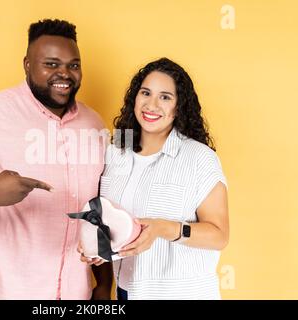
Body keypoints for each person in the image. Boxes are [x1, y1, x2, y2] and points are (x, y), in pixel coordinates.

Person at [0, 19, 113, 300]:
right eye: (51, 64)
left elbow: (99, 210)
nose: (64, 73)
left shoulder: (94, 123)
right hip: (0, 287)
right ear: (27, 64)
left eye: (73, 65)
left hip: (76, 290)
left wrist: (101, 285)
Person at [81, 57, 229, 300]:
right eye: (146, 93)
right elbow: (114, 224)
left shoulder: (199, 158)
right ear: (135, 98)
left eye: (165, 97)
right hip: (127, 292)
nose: (152, 105)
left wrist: (161, 228)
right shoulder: (114, 154)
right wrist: (98, 245)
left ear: (179, 106)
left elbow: (219, 235)